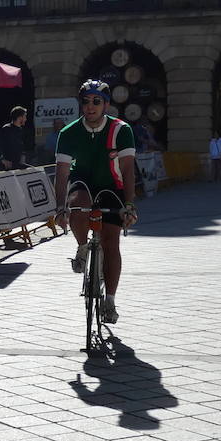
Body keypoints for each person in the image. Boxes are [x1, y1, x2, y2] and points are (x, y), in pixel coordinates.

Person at [54, 80, 138, 325]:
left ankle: (110, 301)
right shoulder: (68, 132)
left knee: (111, 242)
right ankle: (82, 248)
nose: (90, 106)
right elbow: (61, 174)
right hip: (83, 181)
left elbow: (128, 170)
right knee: (78, 203)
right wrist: (60, 208)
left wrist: (130, 205)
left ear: (106, 105)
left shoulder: (121, 130)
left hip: (113, 185)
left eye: (96, 101)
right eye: (86, 101)